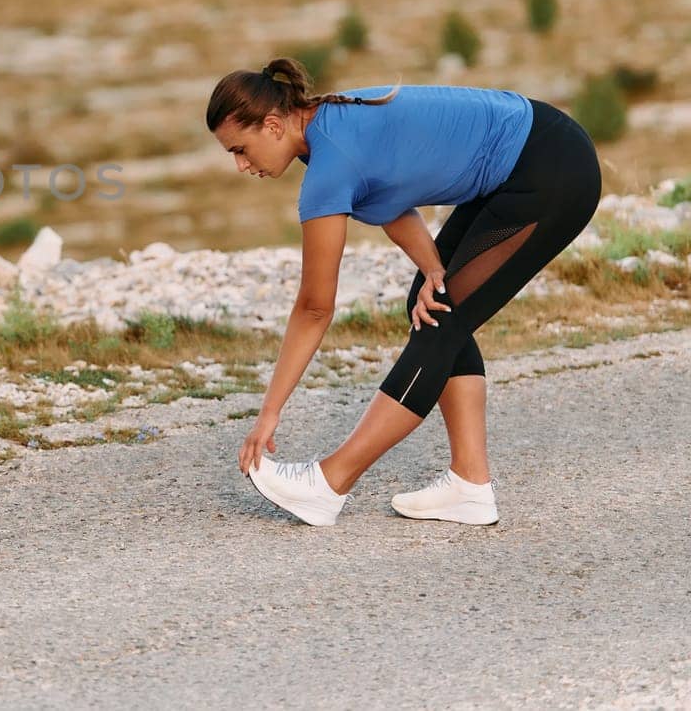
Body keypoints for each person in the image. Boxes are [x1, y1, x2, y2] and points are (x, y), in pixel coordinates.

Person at [204, 57, 601, 526]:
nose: (240, 165)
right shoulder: (330, 122)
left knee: (442, 319)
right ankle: (469, 485)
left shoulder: (329, 167)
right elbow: (391, 199)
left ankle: (331, 483)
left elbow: (314, 307)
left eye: (240, 149)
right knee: (433, 300)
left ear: (272, 125)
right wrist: (434, 267)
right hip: (542, 150)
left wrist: (268, 414)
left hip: (548, 171)